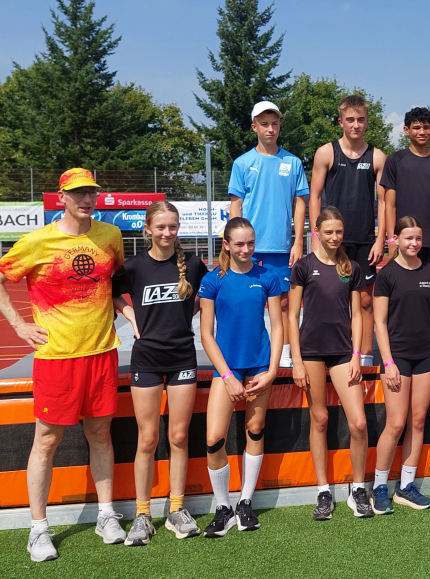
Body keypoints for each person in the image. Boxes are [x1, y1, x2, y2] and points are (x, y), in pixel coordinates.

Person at [0, 168, 126, 561]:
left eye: (92, 192)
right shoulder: (38, 241)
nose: (87, 199)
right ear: (62, 197)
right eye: (78, 193)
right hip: (57, 358)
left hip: (102, 353)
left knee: (101, 435)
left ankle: (106, 514)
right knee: (47, 441)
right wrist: (19, 326)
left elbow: (115, 281)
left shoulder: (110, 236)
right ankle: (38, 529)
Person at [112, 202, 208, 544]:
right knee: (148, 439)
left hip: (183, 356)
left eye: (173, 227)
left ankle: (177, 510)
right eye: (161, 227)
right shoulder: (134, 267)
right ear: (148, 230)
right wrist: (133, 319)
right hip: (147, 359)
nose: (168, 233)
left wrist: (190, 314)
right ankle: (142, 514)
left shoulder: (194, 265)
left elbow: (208, 294)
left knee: (179, 437)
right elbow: (112, 295)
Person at [198, 217, 283, 536]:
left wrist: (273, 370)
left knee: (255, 429)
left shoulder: (269, 276)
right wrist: (227, 376)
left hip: (260, 367)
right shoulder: (213, 280)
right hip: (227, 370)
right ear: (227, 245)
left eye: (250, 243)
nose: (246, 249)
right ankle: (223, 507)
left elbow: (277, 325)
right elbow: (206, 334)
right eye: (239, 244)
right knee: (213, 439)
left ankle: (245, 502)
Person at [289, 206, 374, 520]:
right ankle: (323, 491)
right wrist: (296, 361)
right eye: (329, 232)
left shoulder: (349, 267)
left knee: (359, 424)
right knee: (320, 420)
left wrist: (355, 355)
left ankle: (358, 489)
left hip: (342, 354)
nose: (335, 237)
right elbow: (291, 315)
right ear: (317, 233)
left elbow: (357, 316)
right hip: (310, 353)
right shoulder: (303, 267)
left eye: (339, 232)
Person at [371, 215, 430, 514]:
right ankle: (379, 487)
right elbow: (379, 322)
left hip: (427, 356)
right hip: (397, 358)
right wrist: (388, 361)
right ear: (397, 240)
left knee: (418, 421)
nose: (414, 243)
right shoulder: (387, 274)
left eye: (417, 238)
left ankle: (406, 486)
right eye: (408, 238)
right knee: (396, 423)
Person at [228, 100, 309, 367]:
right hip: (248, 247)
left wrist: (298, 241)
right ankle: (248, 353)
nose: (270, 129)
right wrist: (232, 244)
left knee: (284, 304)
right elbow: (236, 205)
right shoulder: (242, 163)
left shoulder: (293, 162)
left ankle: (284, 354)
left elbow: (300, 203)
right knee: (248, 302)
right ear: (254, 127)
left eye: (274, 123)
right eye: (264, 124)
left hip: (281, 246)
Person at [308, 95, 386, 365]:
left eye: (361, 119)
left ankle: (364, 357)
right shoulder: (326, 152)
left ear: (367, 121)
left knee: (365, 302)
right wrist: (317, 238)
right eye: (350, 120)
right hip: (332, 241)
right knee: (331, 299)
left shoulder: (377, 156)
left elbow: (385, 201)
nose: (356, 125)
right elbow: (315, 196)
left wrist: (380, 240)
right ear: (341, 121)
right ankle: (331, 354)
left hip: (364, 241)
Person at [380, 107, 430, 271]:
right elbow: (390, 205)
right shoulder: (395, 161)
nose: (422, 132)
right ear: (406, 130)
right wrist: (392, 242)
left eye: (426, 127)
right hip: (404, 242)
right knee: (403, 293)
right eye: (416, 127)